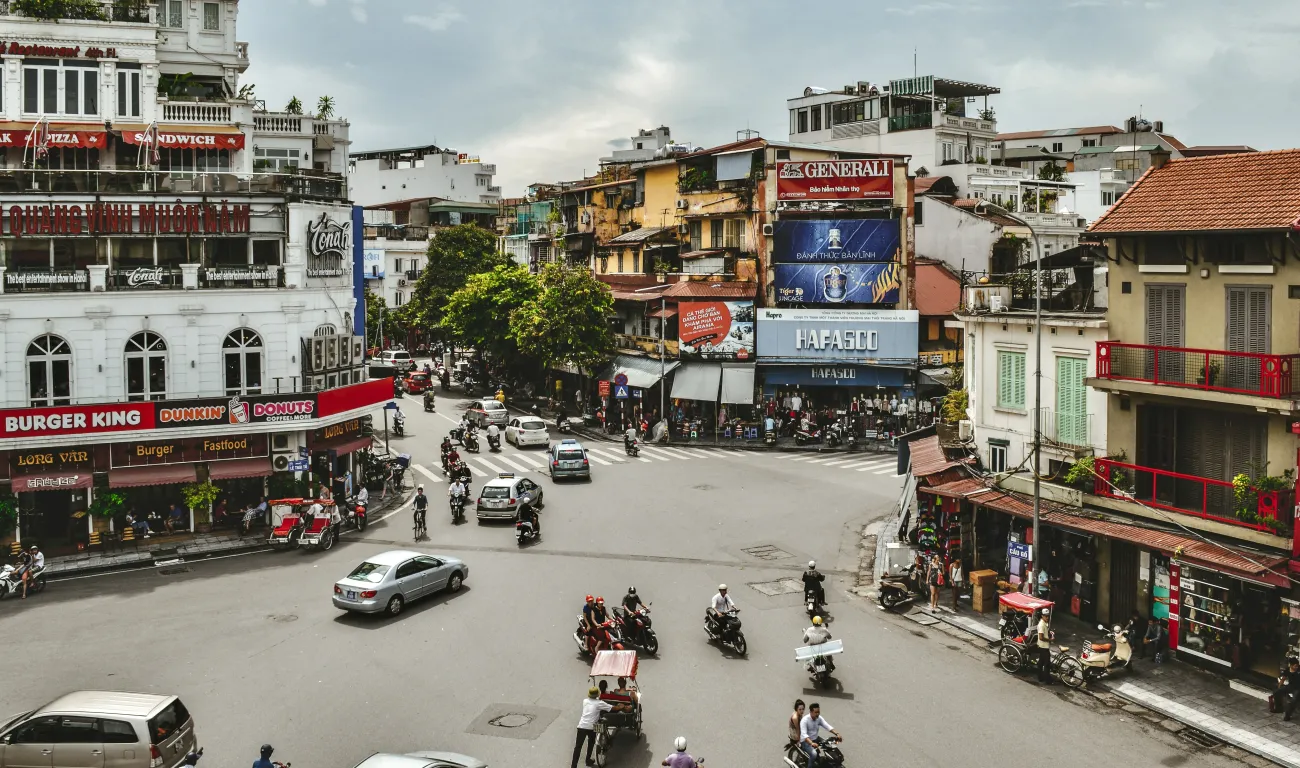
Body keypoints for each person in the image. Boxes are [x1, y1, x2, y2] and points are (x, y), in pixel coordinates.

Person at [573, 687, 612, 768]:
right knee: (591, 743)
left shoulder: (585, 701)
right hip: (592, 727)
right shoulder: (599, 703)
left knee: (578, 747)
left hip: (581, 726)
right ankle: (588, 760)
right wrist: (620, 707)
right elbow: (611, 708)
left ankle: (573, 766)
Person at [799, 703, 841, 768]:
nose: (817, 714)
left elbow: (827, 726)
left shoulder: (819, 718)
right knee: (814, 754)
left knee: (829, 746)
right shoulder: (805, 720)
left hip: (815, 738)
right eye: (815, 712)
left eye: (818, 712)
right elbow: (804, 735)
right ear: (811, 712)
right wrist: (812, 743)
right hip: (806, 742)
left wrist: (837, 734)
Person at [1034, 607, 1053, 683]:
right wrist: (1049, 640)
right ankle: (1047, 680)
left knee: (1041, 663)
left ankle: (1040, 677)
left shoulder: (1044, 623)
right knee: (1047, 664)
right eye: (1045, 616)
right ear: (1042, 616)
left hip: (1043, 646)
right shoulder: (1041, 625)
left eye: (1048, 616)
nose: (1047, 617)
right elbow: (1041, 637)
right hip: (1043, 646)